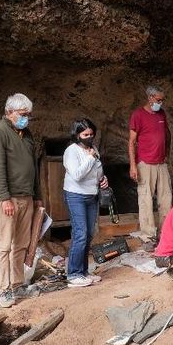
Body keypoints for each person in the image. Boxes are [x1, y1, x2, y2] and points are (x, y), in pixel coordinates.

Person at [0, 93, 42, 308]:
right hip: (7, 199)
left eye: (28, 115)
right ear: (10, 112)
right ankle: (4, 289)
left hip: (26, 197)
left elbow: (33, 168)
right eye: (22, 114)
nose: (26, 118)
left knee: (21, 243)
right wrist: (4, 198)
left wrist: (37, 196)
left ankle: (18, 284)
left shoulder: (26, 134)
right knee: (4, 244)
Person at [62, 118, 109, 288]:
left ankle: (83, 272)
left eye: (91, 134)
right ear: (77, 135)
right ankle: (73, 274)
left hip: (91, 195)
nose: (89, 137)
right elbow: (77, 175)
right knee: (80, 233)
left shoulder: (93, 148)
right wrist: (89, 158)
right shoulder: (71, 151)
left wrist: (103, 179)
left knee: (89, 234)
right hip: (76, 195)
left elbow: (97, 170)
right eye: (85, 134)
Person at [128, 85, 172, 241]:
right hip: (145, 163)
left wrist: (166, 154)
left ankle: (165, 233)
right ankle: (148, 236)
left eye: (162, 100)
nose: (160, 103)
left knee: (166, 199)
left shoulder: (161, 113)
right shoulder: (138, 115)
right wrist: (133, 165)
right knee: (145, 200)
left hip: (161, 163)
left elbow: (167, 134)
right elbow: (132, 142)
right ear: (150, 97)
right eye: (158, 100)